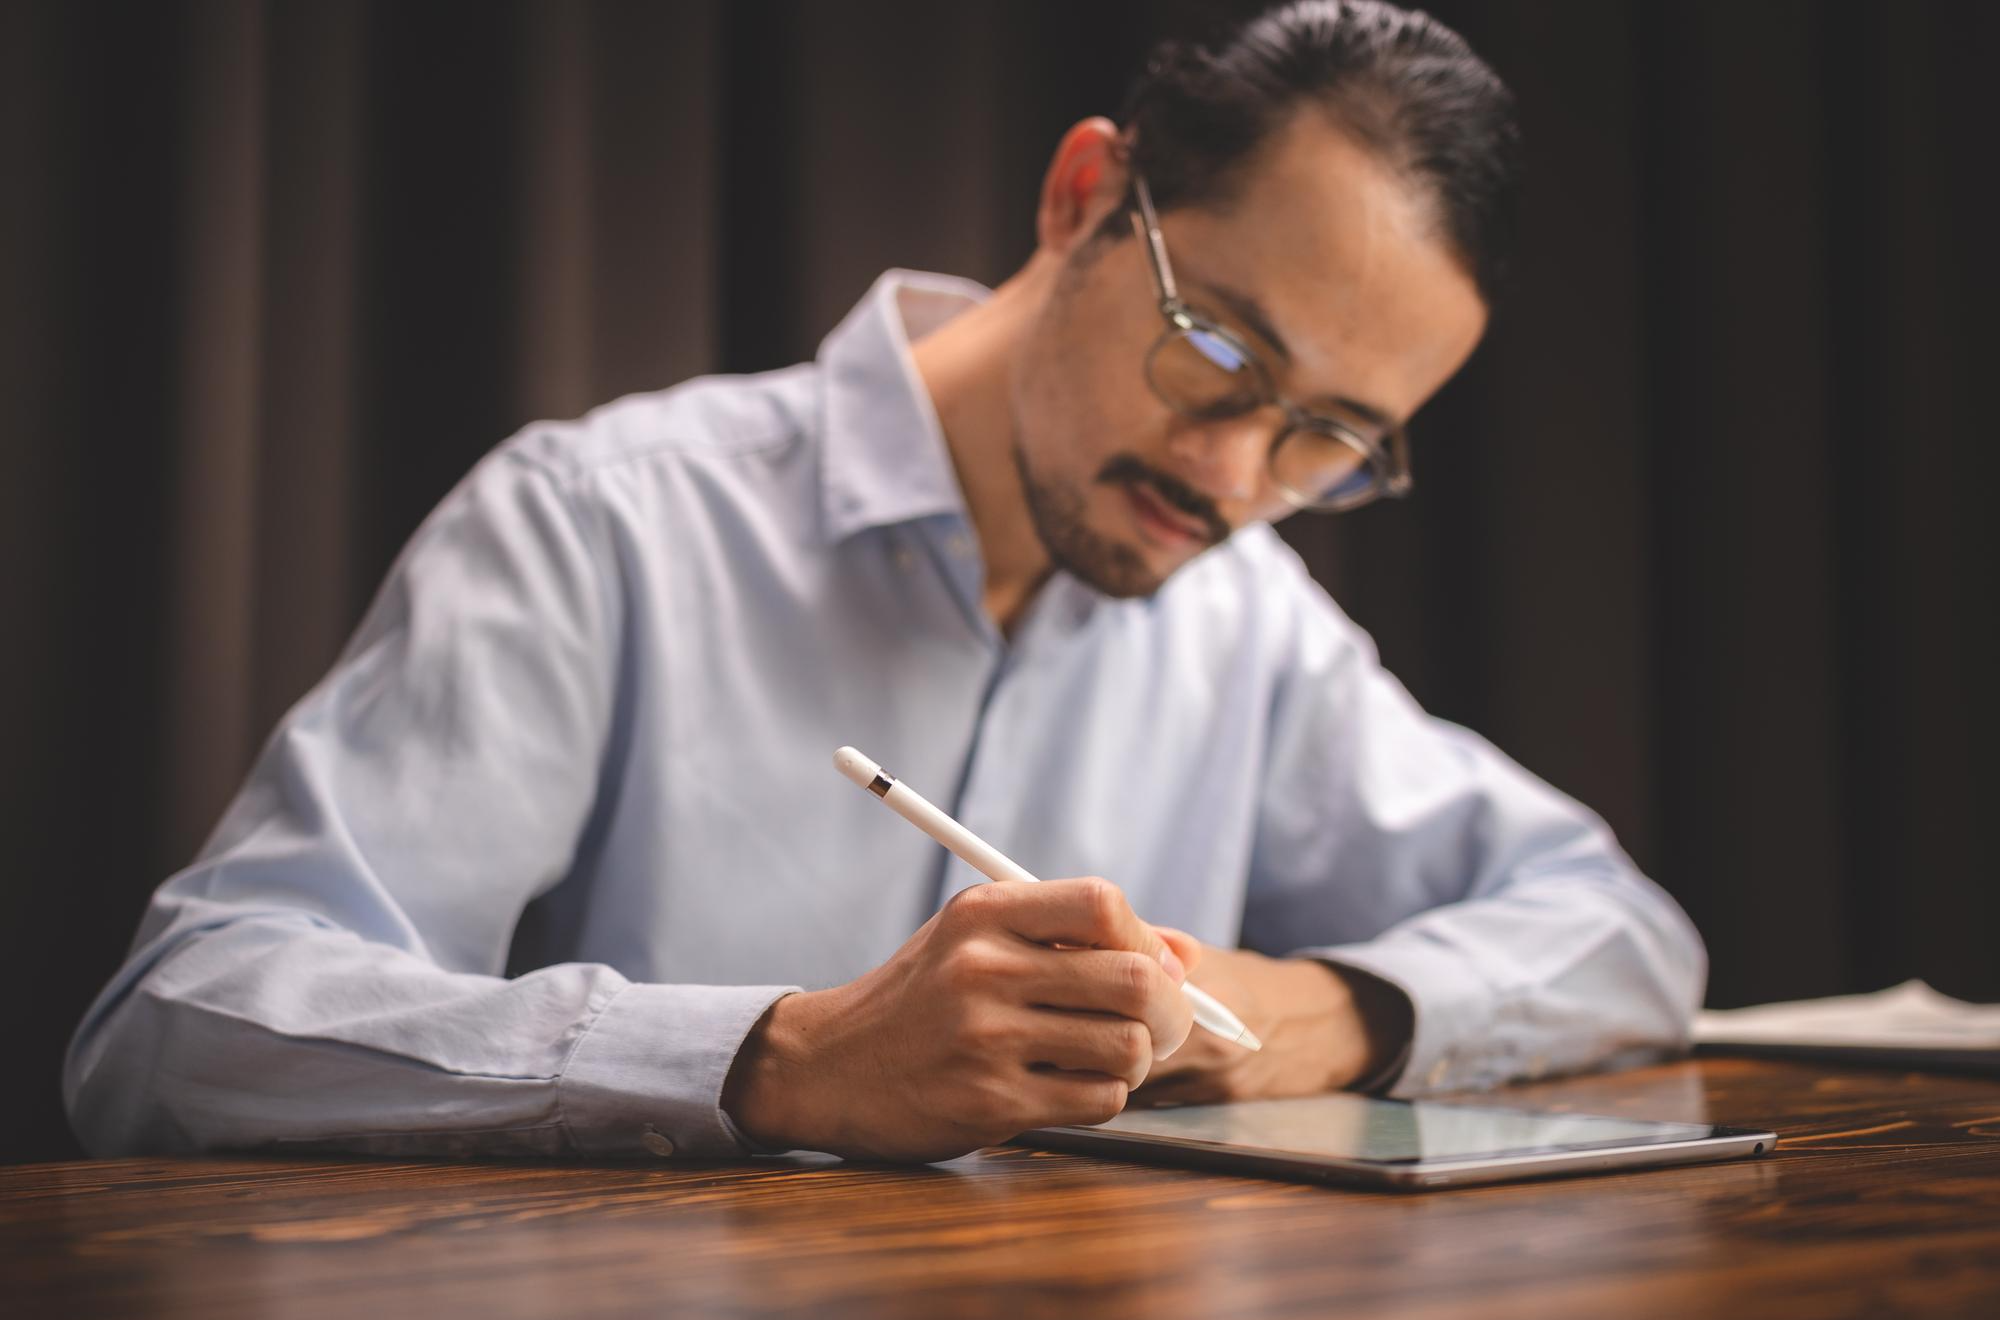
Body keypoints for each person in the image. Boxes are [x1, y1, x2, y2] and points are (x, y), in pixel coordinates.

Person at [65, 0, 1704, 1164]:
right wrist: (774, 1060)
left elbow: (1625, 935)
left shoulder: (1246, 616)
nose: (1238, 479)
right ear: (1081, 198)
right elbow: (182, 1024)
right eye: (1215, 348)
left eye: (1334, 438)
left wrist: (1341, 1010)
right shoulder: (608, 525)